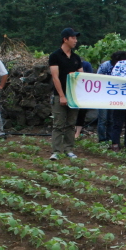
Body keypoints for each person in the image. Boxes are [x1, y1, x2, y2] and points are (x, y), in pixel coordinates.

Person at [48, 27, 84, 160]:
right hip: (59, 96)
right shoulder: (55, 56)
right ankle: (56, 151)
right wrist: (62, 95)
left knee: (70, 124)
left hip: (73, 96)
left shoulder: (76, 57)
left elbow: (81, 75)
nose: (75, 40)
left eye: (76, 38)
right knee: (58, 124)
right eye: (73, 38)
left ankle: (69, 149)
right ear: (65, 39)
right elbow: (55, 77)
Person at [96, 51, 126, 143]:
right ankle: (102, 139)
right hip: (103, 95)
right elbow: (97, 78)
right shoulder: (105, 65)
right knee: (103, 119)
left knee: (111, 119)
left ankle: (109, 138)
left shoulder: (123, 67)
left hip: (114, 96)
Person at [75, 59, 94, 139]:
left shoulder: (86, 65)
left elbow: (90, 77)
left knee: (82, 112)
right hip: (72, 90)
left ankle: (77, 133)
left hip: (84, 92)